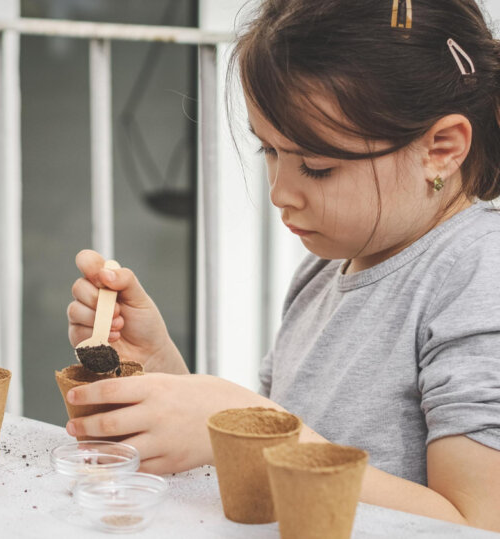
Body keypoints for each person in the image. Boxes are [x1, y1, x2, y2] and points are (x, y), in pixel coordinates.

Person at [65, 0, 500, 531]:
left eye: (316, 168)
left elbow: (477, 521)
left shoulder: (479, 274)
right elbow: (278, 461)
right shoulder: (325, 270)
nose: (280, 193)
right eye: (268, 152)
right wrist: (159, 369)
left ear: (441, 147)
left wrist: (243, 422)